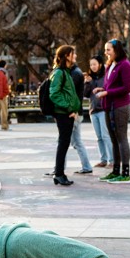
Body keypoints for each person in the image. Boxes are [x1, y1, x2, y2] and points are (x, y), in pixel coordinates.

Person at [94, 39, 130, 184]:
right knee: (113, 140)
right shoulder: (111, 65)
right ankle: (115, 171)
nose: (106, 53)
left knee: (121, 138)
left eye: (108, 50)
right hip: (109, 106)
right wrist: (103, 89)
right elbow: (110, 85)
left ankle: (125, 174)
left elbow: (127, 88)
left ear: (116, 50)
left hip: (120, 107)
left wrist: (107, 93)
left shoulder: (125, 65)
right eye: (105, 50)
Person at [48, 45, 81, 186]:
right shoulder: (60, 73)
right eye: (73, 54)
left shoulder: (65, 72)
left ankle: (59, 173)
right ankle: (59, 174)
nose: (75, 56)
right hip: (63, 114)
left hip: (67, 113)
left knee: (64, 143)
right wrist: (69, 109)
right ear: (67, 55)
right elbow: (54, 94)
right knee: (63, 143)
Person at [83, 57, 112, 168]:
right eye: (91, 65)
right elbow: (85, 94)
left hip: (103, 109)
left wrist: (100, 89)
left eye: (95, 64)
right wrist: (87, 83)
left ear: (100, 64)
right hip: (93, 110)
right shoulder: (90, 78)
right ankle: (103, 160)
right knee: (99, 137)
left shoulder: (106, 76)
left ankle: (112, 160)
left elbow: (108, 90)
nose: (93, 67)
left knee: (105, 136)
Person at [68, 59, 92, 175]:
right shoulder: (75, 72)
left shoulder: (75, 74)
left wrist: (74, 111)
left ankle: (58, 168)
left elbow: (74, 95)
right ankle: (86, 166)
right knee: (76, 142)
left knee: (65, 142)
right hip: (76, 112)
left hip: (74, 113)